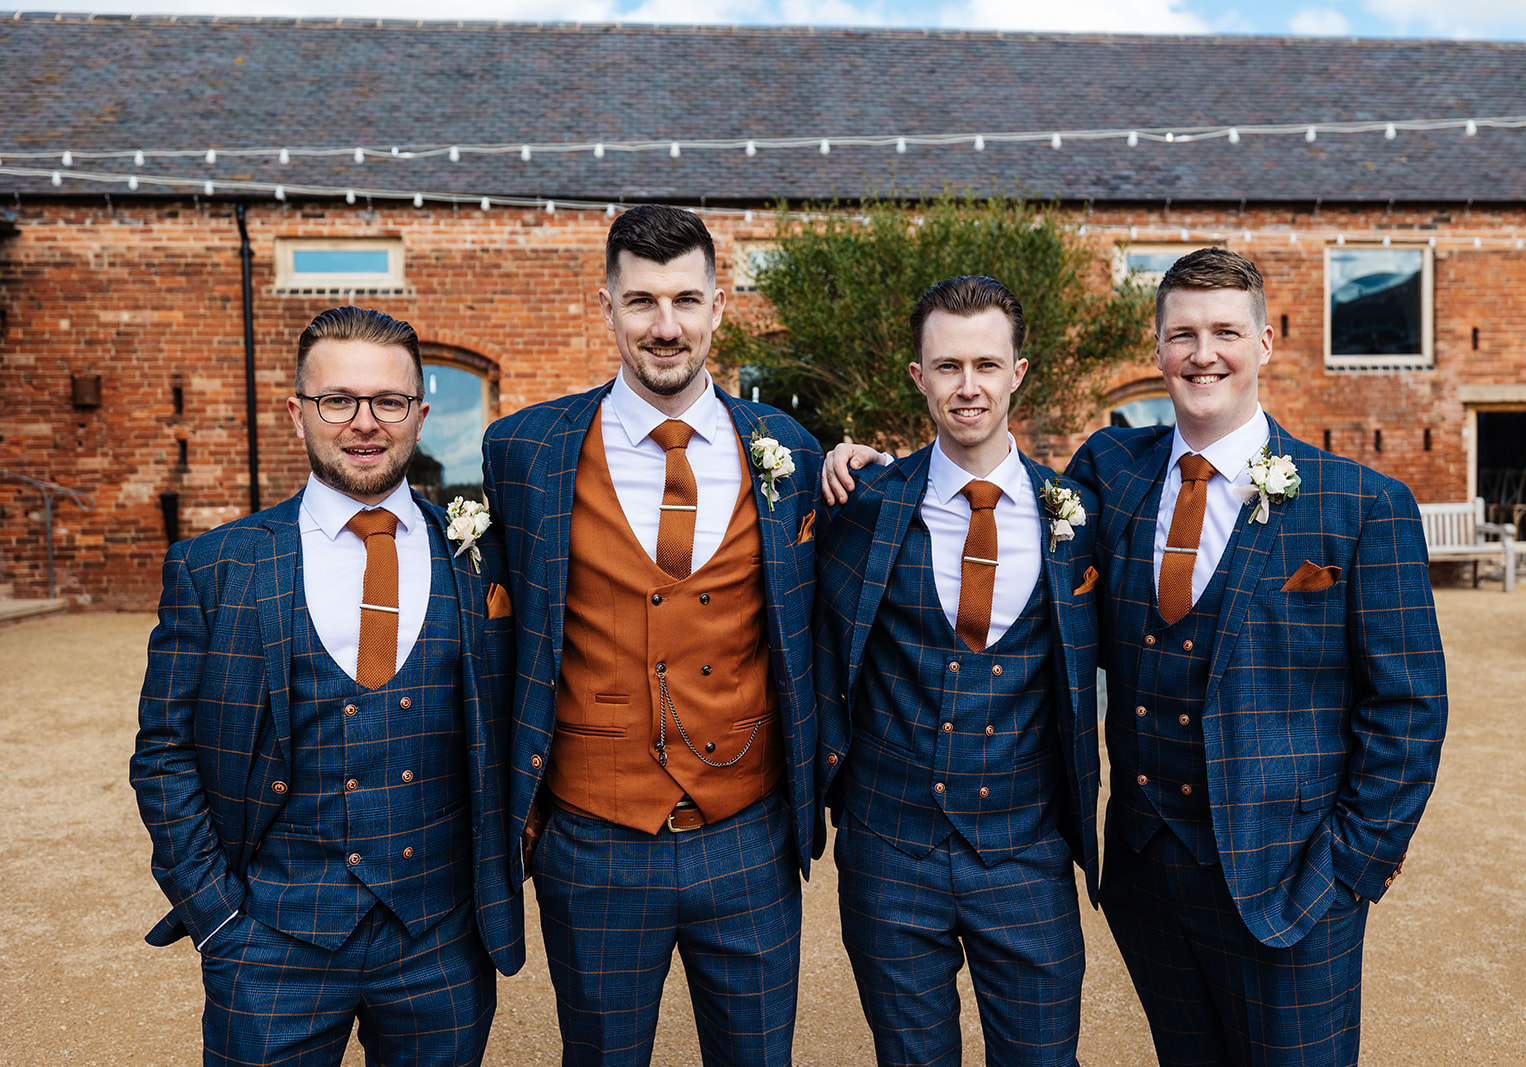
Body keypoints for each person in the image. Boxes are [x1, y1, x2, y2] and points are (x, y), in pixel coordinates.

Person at [1065, 248, 1447, 1066]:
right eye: (1182, 334)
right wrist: (876, 473)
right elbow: (1009, 517)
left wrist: (1346, 874)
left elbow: (1408, 709)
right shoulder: (1109, 471)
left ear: (1266, 343)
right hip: (1147, 872)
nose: (1204, 353)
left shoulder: (1361, 505)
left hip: (1294, 884)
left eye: (1225, 332)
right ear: (1158, 347)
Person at [130, 306, 524, 1065]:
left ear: (420, 413)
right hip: (270, 943)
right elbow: (164, 754)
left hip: (439, 941)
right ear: (297, 412)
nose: (364, 423)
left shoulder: (482, 558)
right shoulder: (216, 567)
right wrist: (216, 917)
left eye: (389, 401)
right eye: (337, 400)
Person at [481, 204, 821, 1065]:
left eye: (684, 300)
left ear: (718, 305)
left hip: (747, 834)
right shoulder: (523, 451)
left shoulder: (787, 449)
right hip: (593, 840)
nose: (664, 327)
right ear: (606, 308)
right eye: (641, 302)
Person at [813, 276, 1101, 1066]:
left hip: (1026, 851)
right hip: (888, 850)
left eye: (984, 364)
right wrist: (835, 456)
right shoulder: (857, 500)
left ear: (1019, 371)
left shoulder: (1078, 513)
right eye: (946, 366)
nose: (966, 386)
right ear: (918, 377)